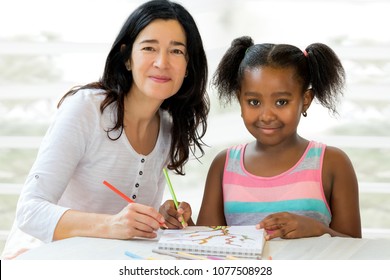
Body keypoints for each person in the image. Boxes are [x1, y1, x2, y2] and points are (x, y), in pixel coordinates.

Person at [1, 0, 209, 259]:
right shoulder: (86, 109)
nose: (161, 62)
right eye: (149, 48)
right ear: (127, 58)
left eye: (176, 51)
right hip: (44, 258)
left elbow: (129, 221)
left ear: (189, 66)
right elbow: (29, 212)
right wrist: (111, 224)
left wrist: (160, 216)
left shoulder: (168, 126)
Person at [196, 36, 361, 240]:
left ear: (306, 100)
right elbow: (205, 244)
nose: (266, 115)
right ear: (240, 99)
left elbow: (355, 250)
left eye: (282, 102)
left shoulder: (333, 163)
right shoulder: (224, 165)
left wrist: (319, 229)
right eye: (254, 102)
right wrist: (178, 223)